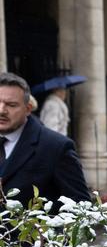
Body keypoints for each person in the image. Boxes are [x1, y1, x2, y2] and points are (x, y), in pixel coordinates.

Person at [0, 73, 89, 209]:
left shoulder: (56, 147)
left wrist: (47, 229)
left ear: (28, 109)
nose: (2, 110)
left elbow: (81, 207)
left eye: (11, 105)